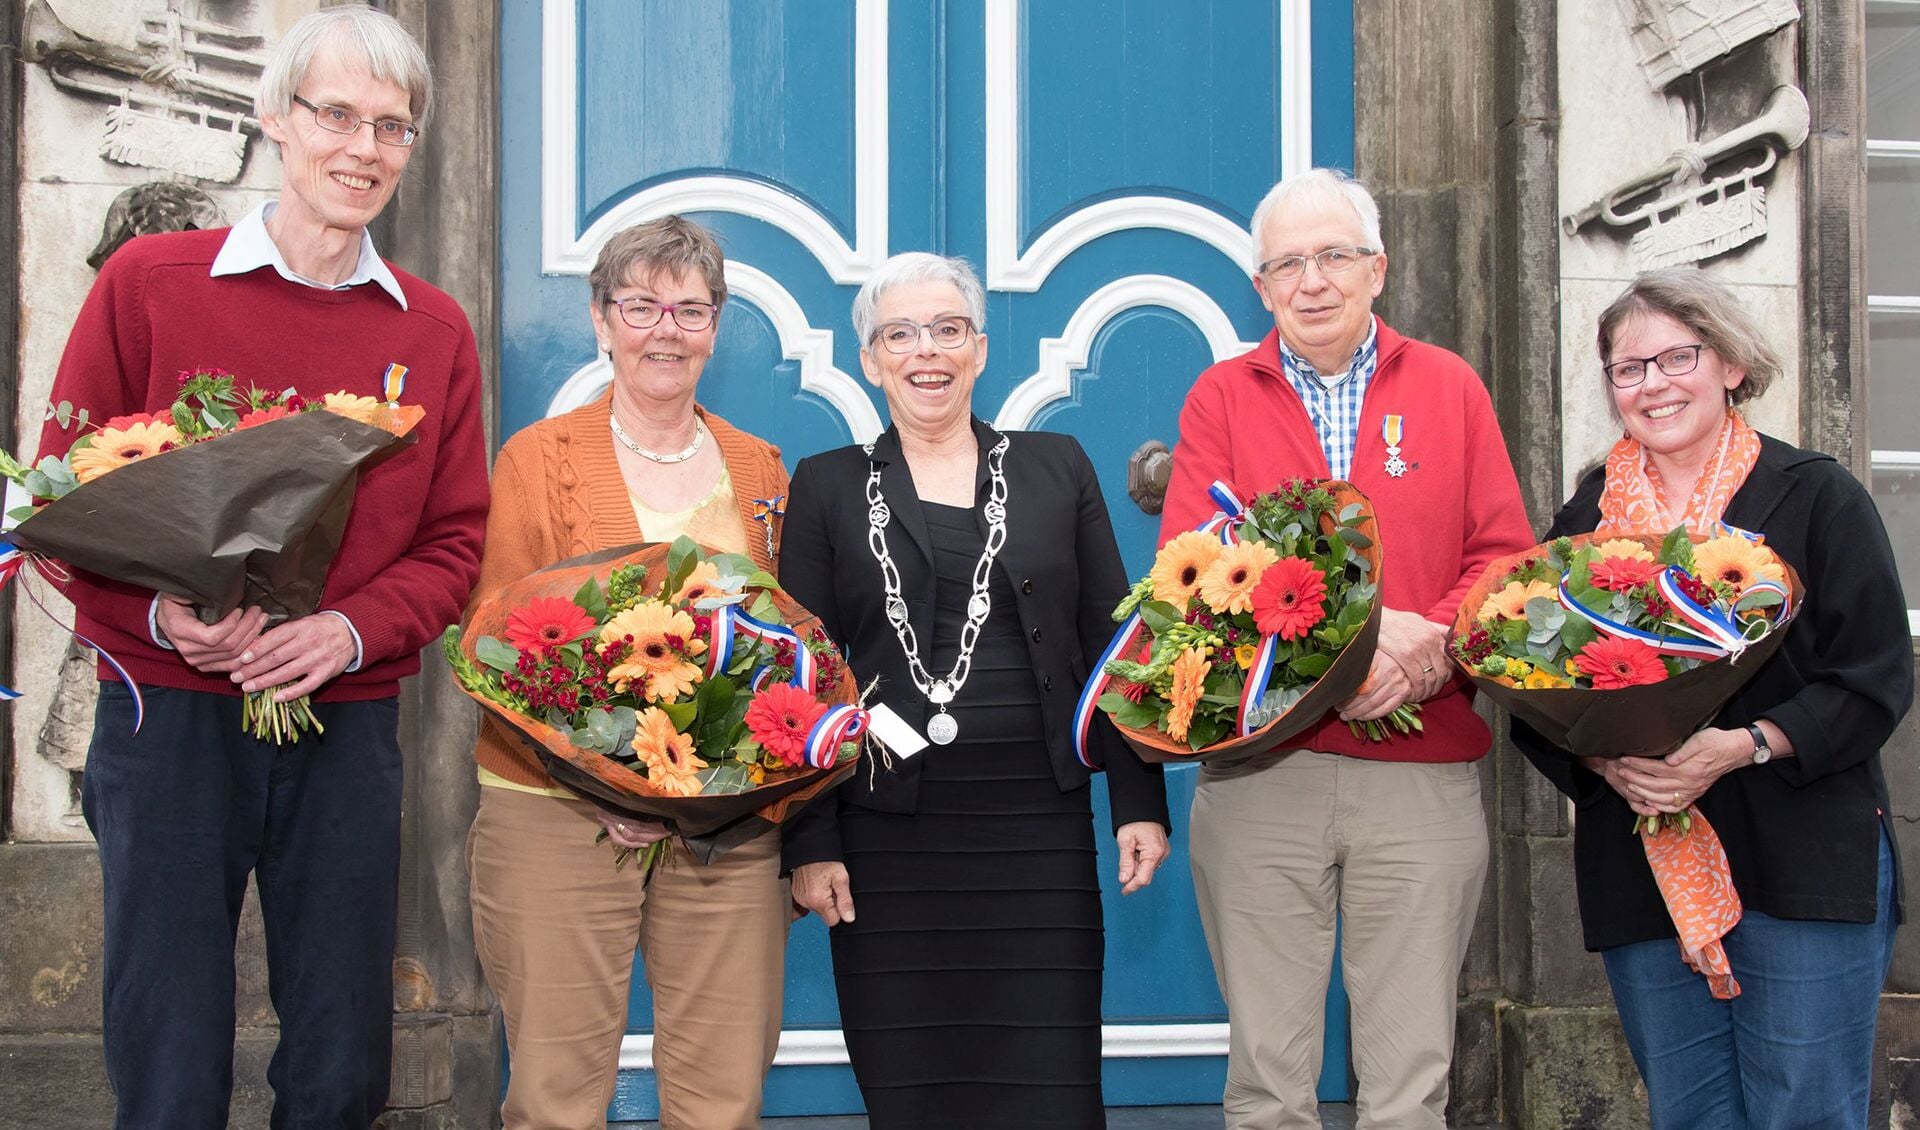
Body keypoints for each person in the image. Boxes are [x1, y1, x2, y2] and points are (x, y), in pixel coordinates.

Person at [43, 8, 489, 1126]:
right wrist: (159, 612)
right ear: (275, 120)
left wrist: (344, 631)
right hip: (166, 719)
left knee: (343, 1058)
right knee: (170, 1053)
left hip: (343, 721)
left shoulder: (434, 330)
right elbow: (55, 500)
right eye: (336, 114)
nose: (363, 148)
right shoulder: (150, 283)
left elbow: (453, 544)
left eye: (393, 126)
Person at [1158, 168, 1535, 1129]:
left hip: (1420, 772)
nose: (1312, 281)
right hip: (1261, 776)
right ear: (1262, 286)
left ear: (1378, 269)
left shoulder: (1449, 386)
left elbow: (1503, 561)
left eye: (1333, 257)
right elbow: (1190, 574)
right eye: (1288, 263)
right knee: (1266, 1086)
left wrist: (1430, 648)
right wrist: (1352, 659)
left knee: (1410, 1084)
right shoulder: (1219, 398)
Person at [779, 252, 1171, 1128]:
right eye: (901, 334)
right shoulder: (828, 485)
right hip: (886, 841)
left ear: (981, 349)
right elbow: (800, 675)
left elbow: (1114, 641)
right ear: (871, 359)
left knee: (1048, 1083)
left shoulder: (1056, 466)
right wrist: (809, 842)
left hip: (1037, 831)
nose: (928, 351)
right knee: (912, 1085)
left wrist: (1140, 799)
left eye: (948, 330)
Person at [1513, 269, 1910, 1129]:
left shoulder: (1815, 495)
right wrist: (1604, 759)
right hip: (1646, 860)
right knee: (1689, 1117)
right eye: (1629, 368)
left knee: (1804, 1112)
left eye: (1675, 357)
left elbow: (1876, 673)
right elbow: (1527, 688)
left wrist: (1749, 742)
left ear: (1729, 363)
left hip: (1803, 860)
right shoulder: (1585, 523)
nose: (1653, 383)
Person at [465, 215, 794, 1129]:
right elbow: (498, 647)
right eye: (642, 305)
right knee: (556, 1098)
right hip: (558, 811)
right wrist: (598, 779)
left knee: (724, 1096)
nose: (667, 329)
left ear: (717, 327)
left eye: (691, 309)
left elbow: (782, 655)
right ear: (602, 320)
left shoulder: (760, 467)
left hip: (724, 825)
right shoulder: (538, 460)